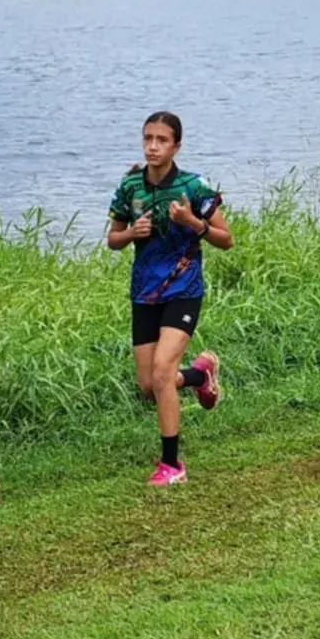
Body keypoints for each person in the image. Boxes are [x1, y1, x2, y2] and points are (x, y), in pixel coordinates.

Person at [106, 112, 231, 486]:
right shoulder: (130, 186)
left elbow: (226, 239)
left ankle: (172, 465)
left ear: (177, 146)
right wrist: (132, 234)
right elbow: (112, 239)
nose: (153, 146)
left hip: (183, 290)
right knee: (149, 385)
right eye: (148, 138)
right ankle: (199, 375)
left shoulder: (193, 186)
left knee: (162, 372)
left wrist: (192, 222)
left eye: (161, 140)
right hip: (144, 293)